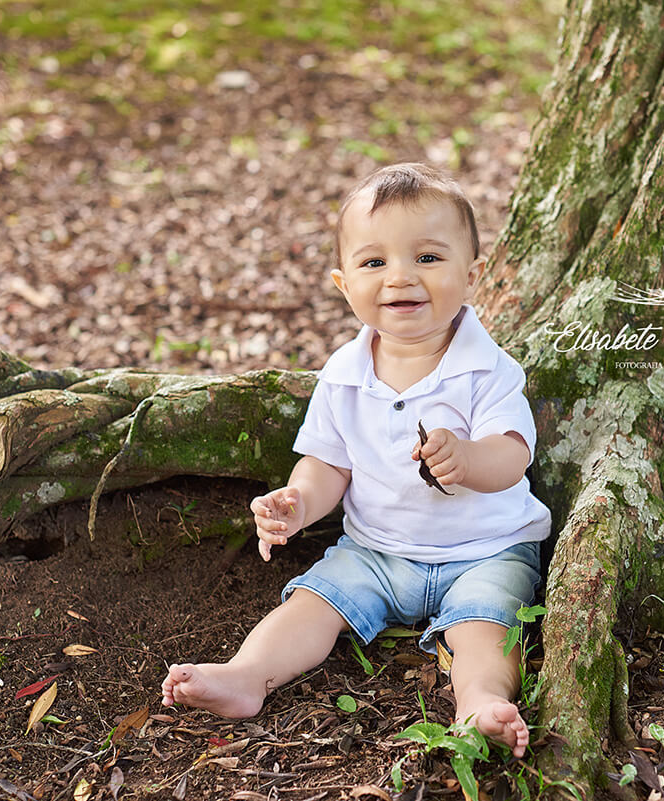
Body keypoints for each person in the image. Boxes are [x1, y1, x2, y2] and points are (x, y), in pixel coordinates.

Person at [161, 162, 551, 758]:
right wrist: (296, 504)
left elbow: (513, 458)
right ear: (345, 285)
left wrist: (467, 458)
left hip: (485, 550)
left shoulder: (486, 367)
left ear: (471, 275)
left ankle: (478, 700)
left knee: (485, 625)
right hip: (375, 552)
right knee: (312, 603)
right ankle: (247, 676)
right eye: (375, 263)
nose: (400, 278)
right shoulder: (343, 374)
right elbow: (327, 465)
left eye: (426, 258)